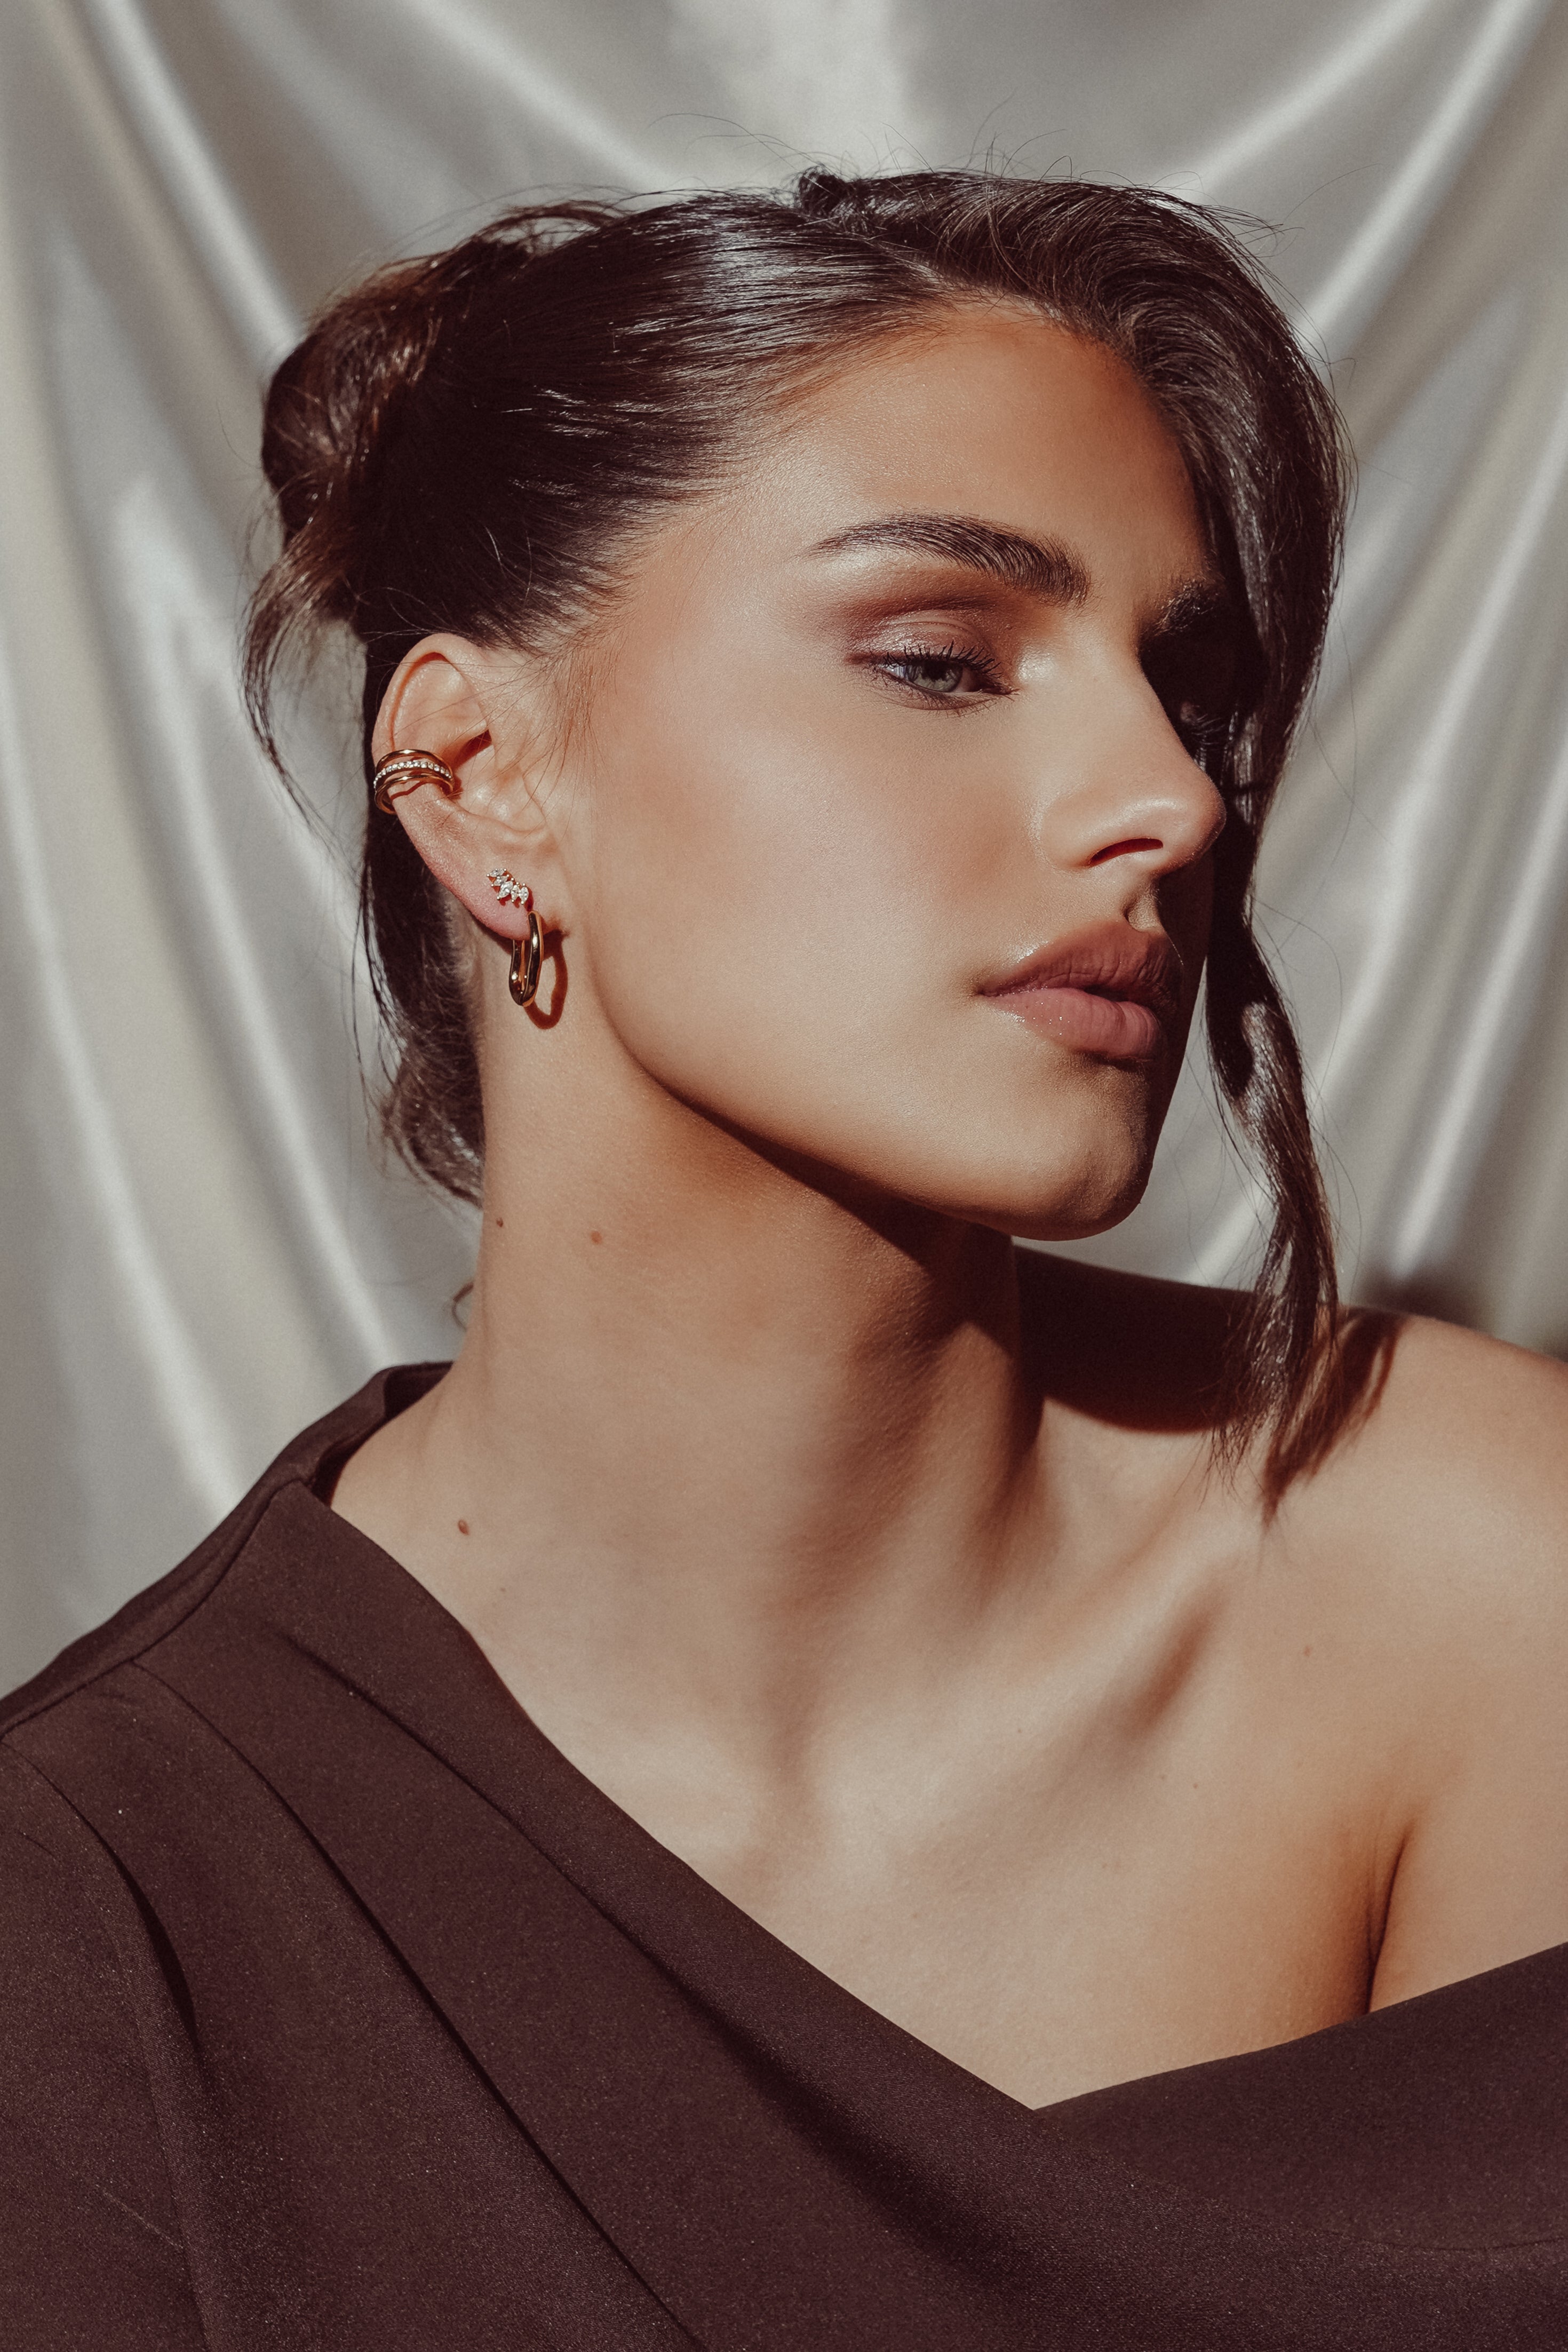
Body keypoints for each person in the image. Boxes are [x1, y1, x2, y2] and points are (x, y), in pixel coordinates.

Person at [4, 167, 1567, 2349]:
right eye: (941, 661)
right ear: (479, 775)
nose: (1170, 800)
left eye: (1180, 685)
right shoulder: (107, 1913)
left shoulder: (1487, 1580)